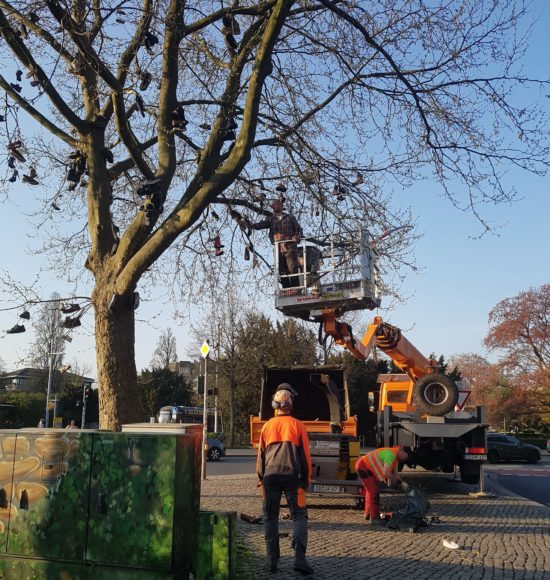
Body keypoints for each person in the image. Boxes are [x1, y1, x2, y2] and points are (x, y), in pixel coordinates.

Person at [256, 383, 314, 575]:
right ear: (290, 404)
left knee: (270, 518)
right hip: (293, 478)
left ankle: (272, 561)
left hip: (271, 478)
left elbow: (261, 458)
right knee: (299, 516)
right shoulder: (298, 426)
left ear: (275, 405)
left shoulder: (267, 427)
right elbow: (305, 456)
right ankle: (299, 559)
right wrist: (306, 479)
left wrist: (261, 480)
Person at [249, 199, 303, 289]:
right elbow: (260, 225)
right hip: (278, 248)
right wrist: (249, 225)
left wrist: (297, 236)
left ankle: (295, 289)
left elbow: (298, 229)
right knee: (281, 270)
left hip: (290, 247)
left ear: (281, 205)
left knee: (292, 268)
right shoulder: (270, 219)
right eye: (272, 206)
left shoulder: (290, 217)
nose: (272, 207)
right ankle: (286, 289)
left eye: (274, 204)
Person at [355, 446, 411, 525]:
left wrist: (402, 483)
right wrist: (399, 482)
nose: (405, 459)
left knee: (370, 490)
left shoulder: (394, 457)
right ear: (402, 451)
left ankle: (368, 513)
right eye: (406, 456)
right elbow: (386, 473)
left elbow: (395, 475)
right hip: (363, 466)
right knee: (373, 492)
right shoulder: (391, 454)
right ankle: (374, 518)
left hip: (363, 465)